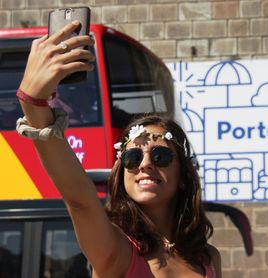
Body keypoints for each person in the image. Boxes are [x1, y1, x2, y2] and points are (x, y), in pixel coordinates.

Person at [16, 21, 221, 277]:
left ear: (183, 174)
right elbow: (80, 200)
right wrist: (34, 105)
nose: (145, 164)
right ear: (121, 174)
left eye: (160, 156)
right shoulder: (115, 251)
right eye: (132, 157)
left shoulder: (207, 258)